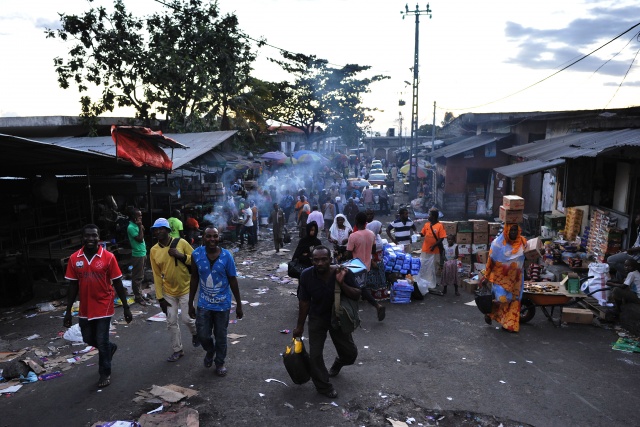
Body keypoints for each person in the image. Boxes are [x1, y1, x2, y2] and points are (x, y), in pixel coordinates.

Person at [64, 224, 132, 388]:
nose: (91, 239)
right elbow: (73, 286)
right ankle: (110, 348)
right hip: (85, 307)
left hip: (104, 304)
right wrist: (67, 312)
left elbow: (117, 282)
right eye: (87, 236)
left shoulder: (108, 257)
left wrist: (126, 307)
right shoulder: (74, 258)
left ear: (98, 237)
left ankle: (104, 373)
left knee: (101, 340)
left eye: (94, 235)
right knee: (88, 338)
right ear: (82, 237)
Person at [292, 245, 361, 398]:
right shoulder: (306, 276)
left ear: (330, 260)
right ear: (311, 261)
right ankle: (324, 386)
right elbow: (304, 302)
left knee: (350, 354)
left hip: (338, 317)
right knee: (315, 355)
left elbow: (357, 294)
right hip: (317, 317)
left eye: (324, 259)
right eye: (316, 260)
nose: (320, 263)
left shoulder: (342, 271)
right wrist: (300, 326)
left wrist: (341, 283)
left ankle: (338, 362)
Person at [189, 227, 244, 377]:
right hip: (204, 304)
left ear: (219, 238)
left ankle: (219, 362)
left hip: (222, 305)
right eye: (208, 236)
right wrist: (190, 303)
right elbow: (194, 278)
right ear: (203, 238)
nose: (212, 239)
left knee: (221, 336)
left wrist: (239, 304)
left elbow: (233, 279)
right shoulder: (196, 255)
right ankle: (210, 350)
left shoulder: (227, 256)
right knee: (203, 335)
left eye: (215, 236)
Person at [149, 218, 198, 362]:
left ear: (168, 230)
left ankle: (195, 333)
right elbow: (156, 275)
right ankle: (178, 350)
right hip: (168, 291)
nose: (158, 232)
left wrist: (180, 255)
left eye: (161, 229)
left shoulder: (181, 243)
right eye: (155, 230)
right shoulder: (154, 250)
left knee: (187, 319)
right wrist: (160, 298)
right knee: (171, 321)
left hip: (186, 288)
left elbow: (196, 258)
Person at [482, 223, 527, 332]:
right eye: (511, 230)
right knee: (502, 299)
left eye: (515, 230)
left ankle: (509, 324)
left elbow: (530, 255)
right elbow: (490, 261)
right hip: (501, 278)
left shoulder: (523, 242)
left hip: (517, 278)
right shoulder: (498, 244)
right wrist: (486, 277)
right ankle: (490, 313)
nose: (513, 232)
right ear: (506, 231)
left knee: (514, 301)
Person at [346, 212, 385, 321]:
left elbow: (349, 254)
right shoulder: (371, 234)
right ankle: (374, 307)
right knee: (361, 287)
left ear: (356, 221)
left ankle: (377, 306)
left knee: (358, 288)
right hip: (366, 266)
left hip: (355, 267)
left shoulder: (353, 236)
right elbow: (373, 250)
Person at [416, 208, 447, 296]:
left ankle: (432, 283)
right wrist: (417, 235)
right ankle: (425, 281)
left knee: (433, 267)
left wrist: (434, 245)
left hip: (435, 251)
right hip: (425, 249)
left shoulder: (440, 226)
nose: (428, 216)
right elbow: (422, 233)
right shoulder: (427, 225)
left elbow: (441, 238)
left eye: (429, 215)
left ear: (433, 216)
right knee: (424, 266)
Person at [607, 213, 640, 281]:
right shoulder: (638, 227)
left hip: (636, 256)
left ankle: (633, 276)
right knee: (620, 266)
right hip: (633, 253)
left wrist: (630, 250)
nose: (635, 218)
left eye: (637, 217)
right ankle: (619, 282)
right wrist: (626, 250)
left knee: (610, 260)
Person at [127, 208, 149, 306]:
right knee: (137, 277)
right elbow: (140, 239)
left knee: (141, 275)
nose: (140, 217)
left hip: (142, 253)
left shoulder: (136, 225)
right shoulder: (131, 227)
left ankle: (139, 294)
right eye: (138, 215)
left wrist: (140, 226)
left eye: (141, 215)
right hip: (137, 254)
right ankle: (138, 297)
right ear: (133, 217)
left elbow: (143, 234)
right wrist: (140, 227)